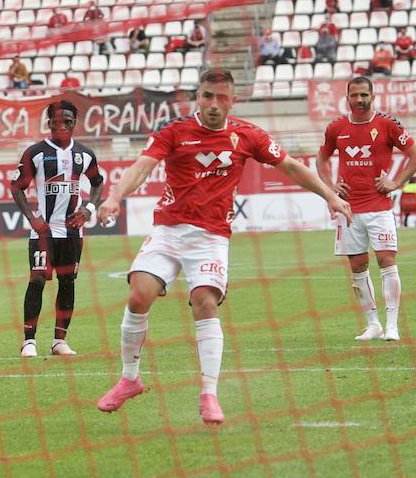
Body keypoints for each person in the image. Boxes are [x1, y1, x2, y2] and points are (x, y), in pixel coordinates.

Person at [94, 69, 352, 425]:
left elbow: (291, 166)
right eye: (206, 96)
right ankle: (129, 379)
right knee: (138, 296)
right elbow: (142, 167)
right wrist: (114, 198)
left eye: (221, 97)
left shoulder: (247, 135)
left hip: (211, 237)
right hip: (168, 230)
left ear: (233, 99)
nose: (213, 104)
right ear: (196, 97)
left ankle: (209, 394)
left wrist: (329, 196)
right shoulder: (174, 131)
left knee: (204, 302)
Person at [316, 76, 416, 342]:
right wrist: (330, 189)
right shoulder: (336, 128)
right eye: (354, 95)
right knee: (358, 266)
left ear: (373, 97)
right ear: (346, 98)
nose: (359, 100)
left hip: (379, 206)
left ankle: (392, 325)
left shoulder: (387, 125)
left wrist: (396, 182)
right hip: (348, 210)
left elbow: (414, 153)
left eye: (364, 95)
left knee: (387, 261)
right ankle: (373, 324)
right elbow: (322, 158)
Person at [11, 101, 105, 358]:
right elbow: (17, 186)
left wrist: (89, 209)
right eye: (56, 121)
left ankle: (59, 341)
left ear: (75, 124)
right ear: (48, 123)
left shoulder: (85, 155)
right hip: (43, 231)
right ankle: (29, 341)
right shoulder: (36, 153)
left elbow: (98, 182)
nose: (61, 126)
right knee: (38, 279)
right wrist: (32, 218)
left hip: (72, 233)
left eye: (68, 122)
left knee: (68, 282)